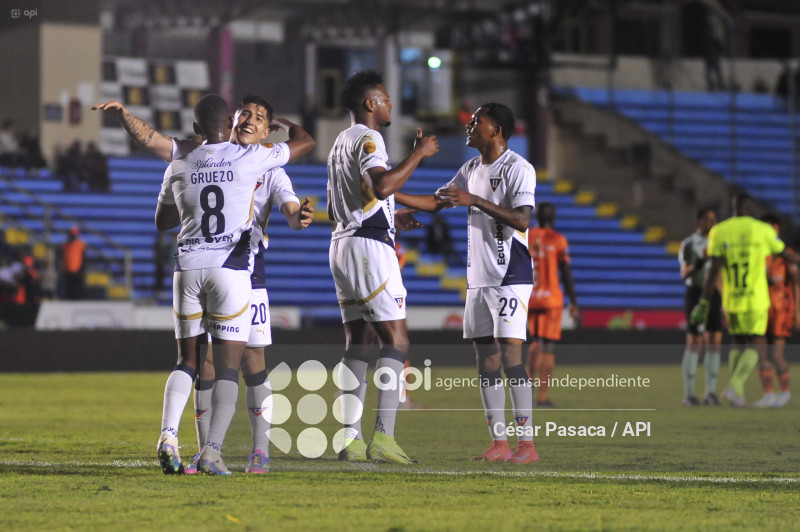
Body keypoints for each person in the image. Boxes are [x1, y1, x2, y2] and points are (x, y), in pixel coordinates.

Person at [95, 94, 315, 475]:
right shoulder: (253, 157)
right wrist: (287, 127)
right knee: (216, 364)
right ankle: (207, 451)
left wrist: (300, 218)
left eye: (260, 118)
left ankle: (254, 449)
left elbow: (292, 214)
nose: (250, 120)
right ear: (231, 121)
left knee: (243, 360)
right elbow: (305, 143)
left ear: (265, 130)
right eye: (245, 113)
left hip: (224, 268)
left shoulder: (202, 160)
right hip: (231, 268)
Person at [395, 103, 538, 464]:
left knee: (510, 356)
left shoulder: (518, 168)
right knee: (486, 359)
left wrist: (474, 200)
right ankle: (499, 443)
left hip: (510, 276)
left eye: (478, 121)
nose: (470, 125)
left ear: (498, 130)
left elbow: (522, 220)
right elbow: (436, 201)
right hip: (478, 279)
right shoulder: (470, 168)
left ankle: (527, 445)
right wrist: (391, 197)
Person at [327, 69, 438, 464]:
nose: (390, 104)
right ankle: (384, 438)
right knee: (397, 340)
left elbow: (342, 204)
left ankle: (350, 440)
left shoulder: (340, 142)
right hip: (368, 250)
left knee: (357, 344)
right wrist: (419, 154)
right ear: (370, 103)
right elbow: (383, 186)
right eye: (386, 98)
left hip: (343, 244)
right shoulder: (370, 138)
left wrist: (392, 218)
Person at [691, 194, 800, 407]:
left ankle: (737, 394)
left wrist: (704, 301)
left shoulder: (719, 231)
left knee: (737, 344)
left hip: (731, 300)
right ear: (750, 208)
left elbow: (713, 272)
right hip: (755, 298)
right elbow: (786, 255)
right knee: (757, 344)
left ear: (732, 207)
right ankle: (735, 387)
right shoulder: (763, 230)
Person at [526, 202, 578, 408]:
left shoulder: (526, 236)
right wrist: (574, 302)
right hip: (551, 300)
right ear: (553, 217)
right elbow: (565, 274)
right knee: (547, 347)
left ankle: (527, 383)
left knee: (535, 341)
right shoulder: (558, 240)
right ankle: (542, 397)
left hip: (530, 297)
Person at [678, 208, 723, 406]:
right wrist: (701, 260)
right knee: (694, 341)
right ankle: (689, 394)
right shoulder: (689, 244)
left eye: (714, 219)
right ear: (698, 221)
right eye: (707, 219)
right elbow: (684, 274)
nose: (711, 223)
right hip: (695, 292)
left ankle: (710, 393)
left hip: (714, 294)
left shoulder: (720, 243)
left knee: (714, 341)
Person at [753, 215, 796, 408]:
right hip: (762, 309)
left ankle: (785, 392)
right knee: (762, 354)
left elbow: (796, 285)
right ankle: (769, 393)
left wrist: (798, 311)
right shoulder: (759, 254)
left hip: (781, 311)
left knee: (777, 354)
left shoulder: (787, 256)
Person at [61, 226, 86, 300]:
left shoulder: (80, 244)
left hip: (78, 270)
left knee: (78, 289)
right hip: (68, 270)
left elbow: (84, 258)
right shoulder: (65, 245)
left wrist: (81, 269)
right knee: (69, 289)